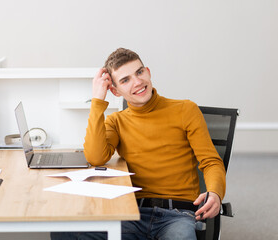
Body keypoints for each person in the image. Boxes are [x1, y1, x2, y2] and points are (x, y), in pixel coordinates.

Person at [51, 48, 226, 240]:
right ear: (115, 91)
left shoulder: (185, 109)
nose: (137, 82)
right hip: (132, 214)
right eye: (125, 80)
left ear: (148, 72)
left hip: (177, 214)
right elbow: (95, 157)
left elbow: (211, 161)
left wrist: (215, 193)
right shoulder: (116, 122)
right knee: (65, 230)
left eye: (139, 72)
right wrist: (97, 101)